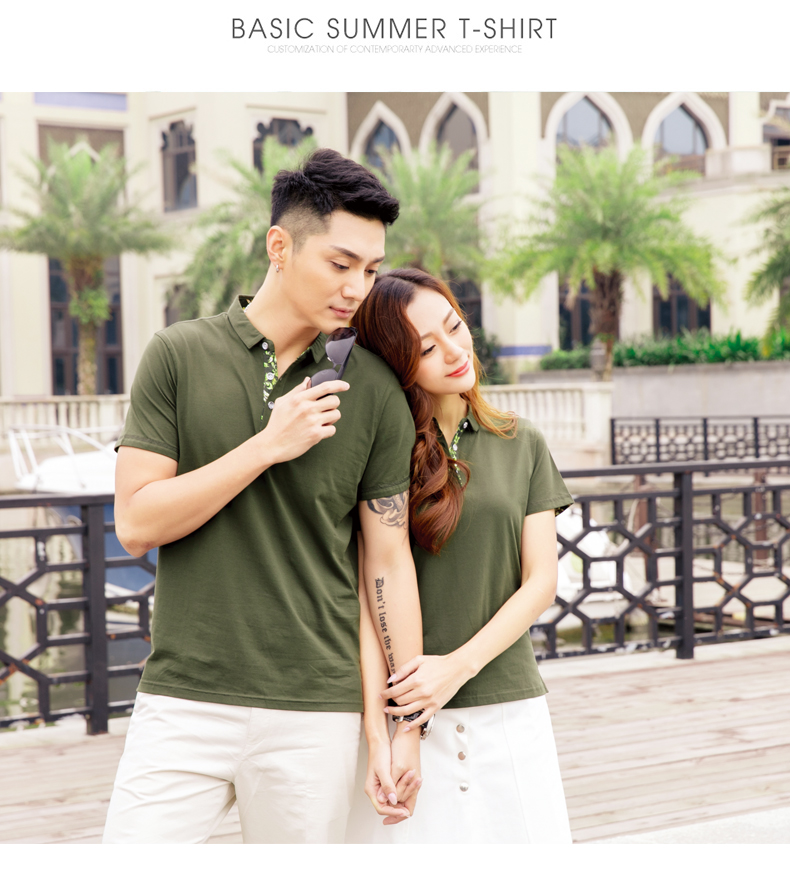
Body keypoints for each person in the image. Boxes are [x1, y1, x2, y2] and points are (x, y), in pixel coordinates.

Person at [103, 150, 423, 844]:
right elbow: (135, 521)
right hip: (183, 699)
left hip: (316, 708)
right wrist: (267, 445)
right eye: (340, 264)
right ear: (280, 246)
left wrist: (402, 726)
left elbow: (388, 562)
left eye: (371, 270)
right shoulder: (178, 355)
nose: (357, 288)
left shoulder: (373, 389)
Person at [345, 268, 574, 844]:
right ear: (396, 363)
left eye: (454, 326)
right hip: (407, 720)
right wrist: (390, 725)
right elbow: (368, 597)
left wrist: (455, 668)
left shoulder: (521, 441)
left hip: (506, 705)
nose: (453, 350)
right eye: (426, 348)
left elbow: (540, 582)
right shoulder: (380, 454)